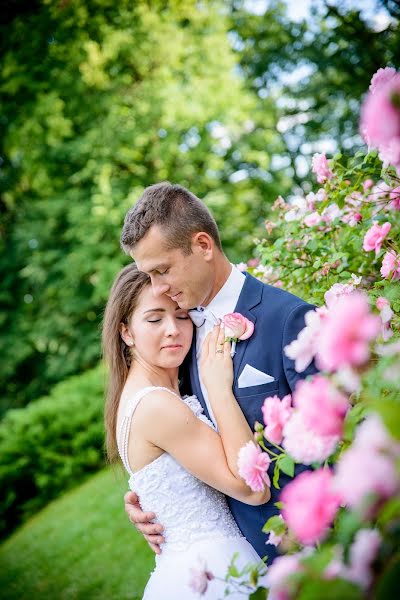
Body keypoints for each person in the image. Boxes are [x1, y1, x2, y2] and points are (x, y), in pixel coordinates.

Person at [120, 182, 317, 563]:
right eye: (149, 275)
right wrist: (152, 498)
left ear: (203, 246)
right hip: (235, 559)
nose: (157, 288)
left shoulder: (288, 319)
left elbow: (331, 443)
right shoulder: (182, 336)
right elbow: (188, 438)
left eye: (162, 271)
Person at [102, 263, 270, 599]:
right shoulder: (155, 405)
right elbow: (252, 489)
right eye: (154, 319)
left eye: (181, 316)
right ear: (126, 332)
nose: (173, 330)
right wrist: (219, 388)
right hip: (214, 571)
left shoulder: (161, 389)